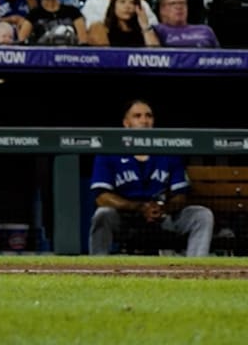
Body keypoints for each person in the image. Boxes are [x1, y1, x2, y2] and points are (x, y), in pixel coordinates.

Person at [88, 100, 213, 257]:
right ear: (126, 123)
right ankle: (98, 268)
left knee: (201, 215)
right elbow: (102, 198)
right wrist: (139, 207)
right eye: (137, 116)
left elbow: (181, 196)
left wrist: (162, 208)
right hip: (126, 219)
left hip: (162, 218)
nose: (144, 120)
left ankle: (196, 270)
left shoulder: (169, 150)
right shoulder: (110, 150)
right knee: (103, 214)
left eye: (148, 116)